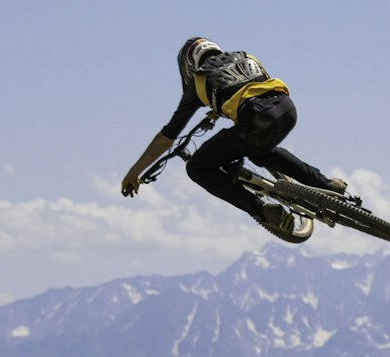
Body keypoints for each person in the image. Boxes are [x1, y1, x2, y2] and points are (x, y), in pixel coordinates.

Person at [121, 38, 347, 240]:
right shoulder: (246, 57)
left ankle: (262, 210)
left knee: (197, 168)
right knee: (260, 151)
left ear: (188, 65)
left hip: (255, 119)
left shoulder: (198, 82)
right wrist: (218, 109)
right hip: (287, 110)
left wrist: (134, 172)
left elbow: (166, 137)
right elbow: (247, 87)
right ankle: (327, 184)